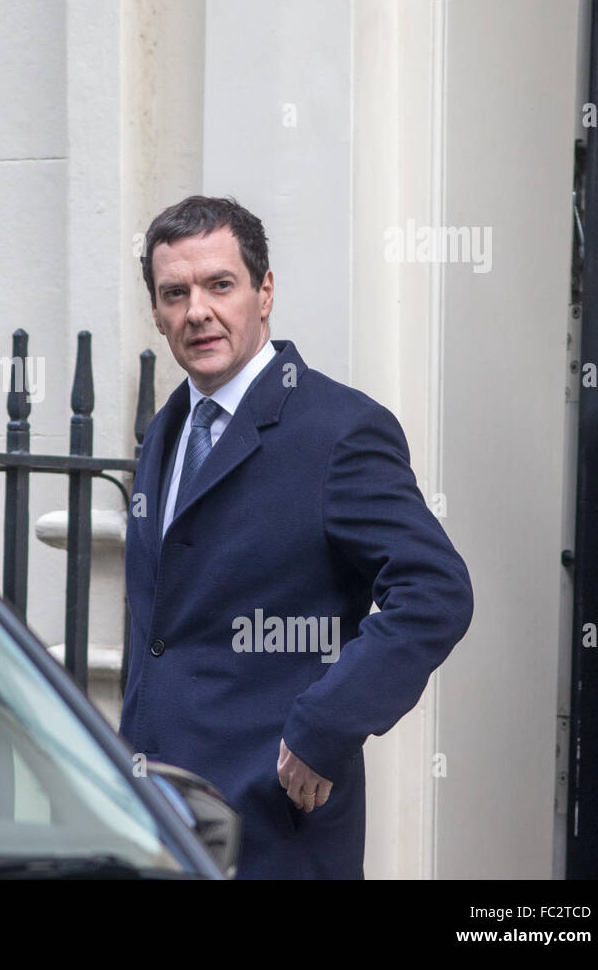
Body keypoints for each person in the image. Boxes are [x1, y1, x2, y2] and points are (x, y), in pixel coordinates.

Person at [120, 195, 473, 879]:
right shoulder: (165, 431)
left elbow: (435, 591)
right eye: (175, 293)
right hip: (159, 819)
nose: (198, 311)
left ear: (265, 291)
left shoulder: (339, 430)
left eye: (220, 285)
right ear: (157, 311)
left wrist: (325, 727)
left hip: (275, 825)